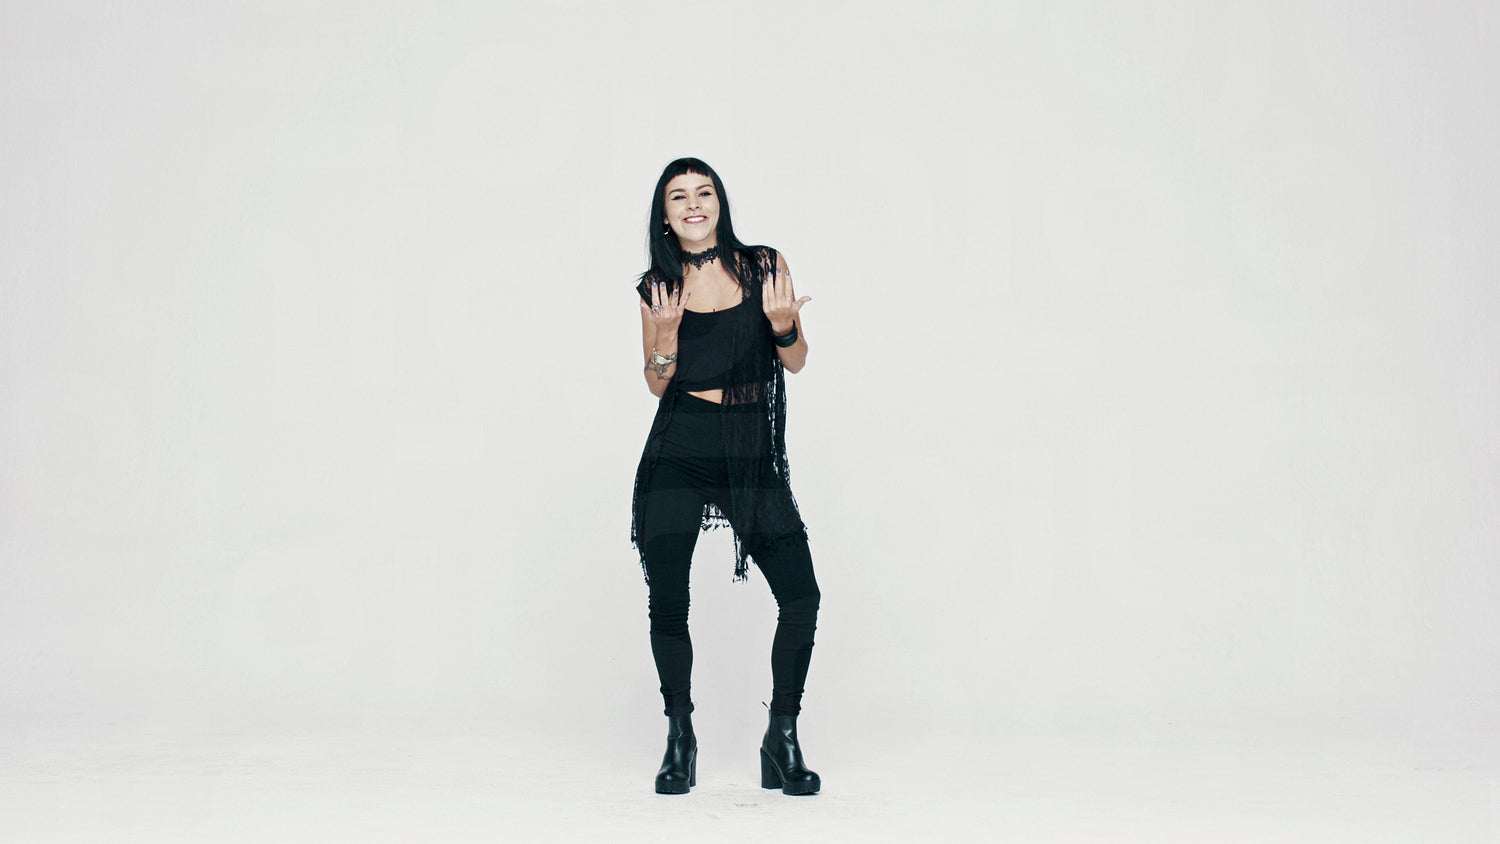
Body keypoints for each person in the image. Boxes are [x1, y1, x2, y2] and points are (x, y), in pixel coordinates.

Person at [631, 158, 822, 796]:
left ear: (719, 203)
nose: (693, 204)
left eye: (703, 192)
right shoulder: (658, 286)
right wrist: (665, 334)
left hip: (749, 451)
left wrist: (782, 325)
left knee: (801, 595)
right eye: (678, 196)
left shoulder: (764, 266)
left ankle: (782, 735)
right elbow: (657, 382)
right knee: (668, 600)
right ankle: (679, 735)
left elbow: (796, 361)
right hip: (679, 449)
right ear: (665, 215)